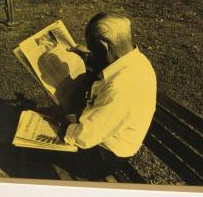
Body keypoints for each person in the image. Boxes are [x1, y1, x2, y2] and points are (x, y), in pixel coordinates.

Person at [63, 12, 157, 179]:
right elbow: (107, 60)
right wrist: (88, 55)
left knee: (34, 150)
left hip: (102, 155)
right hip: (107, 132)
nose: (91, 52)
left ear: (103, 47)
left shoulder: (120, 88)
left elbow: (83, 137)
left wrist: (66, 121)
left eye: (92, 49)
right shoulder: (136, 60)